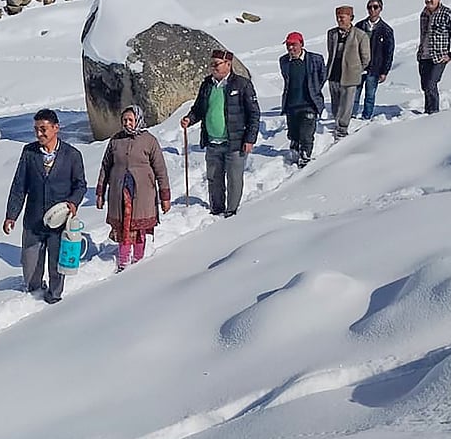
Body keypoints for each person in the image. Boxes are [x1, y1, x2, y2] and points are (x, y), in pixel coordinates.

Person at [4, 108, 87, 304]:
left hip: (59, 221)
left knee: (56, 264)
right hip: (33, 220)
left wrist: (73, 202)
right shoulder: (29, 152)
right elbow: (19, 185)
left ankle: (55, 296)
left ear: (56, 128)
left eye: (43, 129)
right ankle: (34, 294)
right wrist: (11, 215)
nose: (39, 134)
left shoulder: (72, 155)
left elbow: (80, 184)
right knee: (30, 265)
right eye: (36, 129)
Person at [180, 49, 260, 217]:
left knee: (234, 179)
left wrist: (250, 139)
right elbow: (199, 108)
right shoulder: (207, 84)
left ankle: (231, 212)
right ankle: (216, 210)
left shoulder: (242, 84)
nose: (213, 67)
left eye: (216, 64)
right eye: (212, 64)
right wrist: (189, 118)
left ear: (228, 64)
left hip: (235, 142)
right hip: (213, 142)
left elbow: (254, 113)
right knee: (214, 178)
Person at [95, 105, 171, 272]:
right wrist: (100, 193)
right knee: (123, 226)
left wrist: (165, 197)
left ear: (138, 120)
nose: (127, 123)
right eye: (124, 120)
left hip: (142, 192)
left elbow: (160, 170)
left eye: (130, 120)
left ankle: (138, 260)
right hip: (119, 190)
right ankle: (123, 261)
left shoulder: (149, 140)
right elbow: (105, 166)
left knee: (138, 228)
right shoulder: (116, 140)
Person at [279, 32, 327, 168]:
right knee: (294, 133)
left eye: (293, 44)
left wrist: (314, 89)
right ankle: (294, 149)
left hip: (309, 104)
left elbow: (322, 75)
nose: (290, 48)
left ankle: (305, 156)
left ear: (301, 44)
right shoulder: (283, 61)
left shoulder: (315, 59)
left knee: (306, 134)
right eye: (288, 45)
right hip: (291, 104)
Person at [416, 0, 451, 115]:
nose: (428, 1)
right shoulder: (423, 14)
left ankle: (434, 114)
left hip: (439, 57)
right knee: (425, 86)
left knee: (431, 84)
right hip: (424, 56)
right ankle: (427, 112)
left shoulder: (448, 14)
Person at [326, 5, 370, 138]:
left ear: (350, 18)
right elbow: (331, 52)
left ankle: (342, 128)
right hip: (334, 73)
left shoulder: (360, 35)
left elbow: (366, 57)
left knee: (346, 104)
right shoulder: (332, 34)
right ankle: (336, 122)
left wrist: (356, 69)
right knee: (335, 102)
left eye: (342, 17)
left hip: (350, 75)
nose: (340, 20)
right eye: (338, 17)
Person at [354, 0, 395, 120]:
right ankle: (351, 115)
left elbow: (389, 52)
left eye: (375, 7)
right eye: (370, 7)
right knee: (354, 94)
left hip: (375, 68)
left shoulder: (386, 30)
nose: (372, 10)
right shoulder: (359, 26)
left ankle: (366, 116)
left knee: (370, 95)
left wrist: (384, 71)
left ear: (380, 9)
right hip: (359, 67)